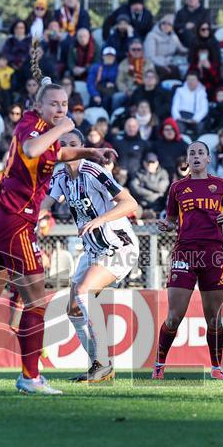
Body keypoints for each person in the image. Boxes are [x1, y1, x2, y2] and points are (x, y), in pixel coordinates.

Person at [0, 43, 116, 395]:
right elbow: (34, 149)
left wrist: (90, 150)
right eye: (55, 105)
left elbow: (55, 152)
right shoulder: (31, 127)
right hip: (16, 218)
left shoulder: (42, 128)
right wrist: (65, 126)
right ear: (38, 105)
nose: (61, 110)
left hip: (3, 215)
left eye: (64, 105)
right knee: (36, 300)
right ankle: (30, 377)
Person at [41, 129, 139, 382]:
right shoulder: (60, 174)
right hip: (93, 249)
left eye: (73, 144)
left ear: (82, 147)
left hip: (119, 246)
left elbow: (130, 203)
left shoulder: (94, 171)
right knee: (73, 308)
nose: (68, 149)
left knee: (83, 291)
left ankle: (103, 363)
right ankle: (99, 365)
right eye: (63, 145)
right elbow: (46, 203)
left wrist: (99, 220)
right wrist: (32, 218)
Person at [152, 141, 223, 380]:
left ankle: (217, 368)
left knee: (214, 317)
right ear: (187, 160)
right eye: (192, 153)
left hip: (213, 253)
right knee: (174, 315)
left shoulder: (221, 185)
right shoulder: (177, 187)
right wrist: (166, 226)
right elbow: (170, 220)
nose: (196, 156)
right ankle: (159, 364)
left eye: (201, 152)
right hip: (185, 252)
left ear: (208, 158)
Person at [144, 15, 186, 80]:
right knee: (168, 71)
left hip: (169, 62)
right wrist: (163, 65)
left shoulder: (173, 36)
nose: (166, 26)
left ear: (172, 27)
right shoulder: (151, 36)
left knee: (179, 70)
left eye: (169, 24)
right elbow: (150, 56)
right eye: (163, 23)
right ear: (160, 24)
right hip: (155, 63)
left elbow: (181, 49)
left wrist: (194, 49)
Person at [170, 70, 208, 138]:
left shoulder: (202, 92)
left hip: (195, 117)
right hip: (181, 116)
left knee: (200, 129)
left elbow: (204, 109)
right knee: (178, 128)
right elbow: (174, 106)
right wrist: (177, 117)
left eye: (193, 79)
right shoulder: (180, 90)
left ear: (197, 81)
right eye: (189, 79)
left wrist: (196, 119)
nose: (191, 81)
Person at [130, 152, 169, 218]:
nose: (150, 165)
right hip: (140, 204)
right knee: (134, 214)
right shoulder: (138, 173)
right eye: (148, 163)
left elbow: (161, 188)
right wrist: (152, 193)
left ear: (157, 163)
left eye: (153, 163)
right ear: (144, 163)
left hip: (157, 205)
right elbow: (134, 189)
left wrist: (145, 184)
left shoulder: (163, 173)